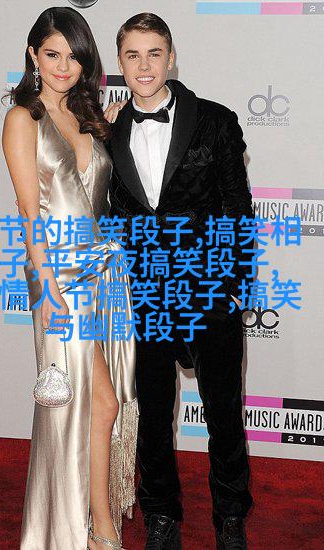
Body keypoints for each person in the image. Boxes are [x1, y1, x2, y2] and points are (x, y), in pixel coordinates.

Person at [104, 12, 254, 550]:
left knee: (223, 412)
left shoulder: (216, 120)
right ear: (120, 63)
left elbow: (238, 207)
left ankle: (230, 516)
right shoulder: (107, 130)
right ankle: (161, 516)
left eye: (154, 53)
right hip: (144, 293)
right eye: (132, 55)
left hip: (208, 288)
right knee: (151, 414)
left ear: (171, 58)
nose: (144, 66)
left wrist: (235, 284)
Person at [1, 7, 138, 550]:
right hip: (58, 277)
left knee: (105, 404)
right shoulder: (22, 119)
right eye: (52, 54)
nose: (63, 66)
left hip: (102, 273)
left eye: (74, 56)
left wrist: (114, 119)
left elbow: (99, 188)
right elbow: (28, 212)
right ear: (32, 56)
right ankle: (70, 532)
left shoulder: (89, 116)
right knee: (71, 407)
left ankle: (97, 525)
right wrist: (48, 287)